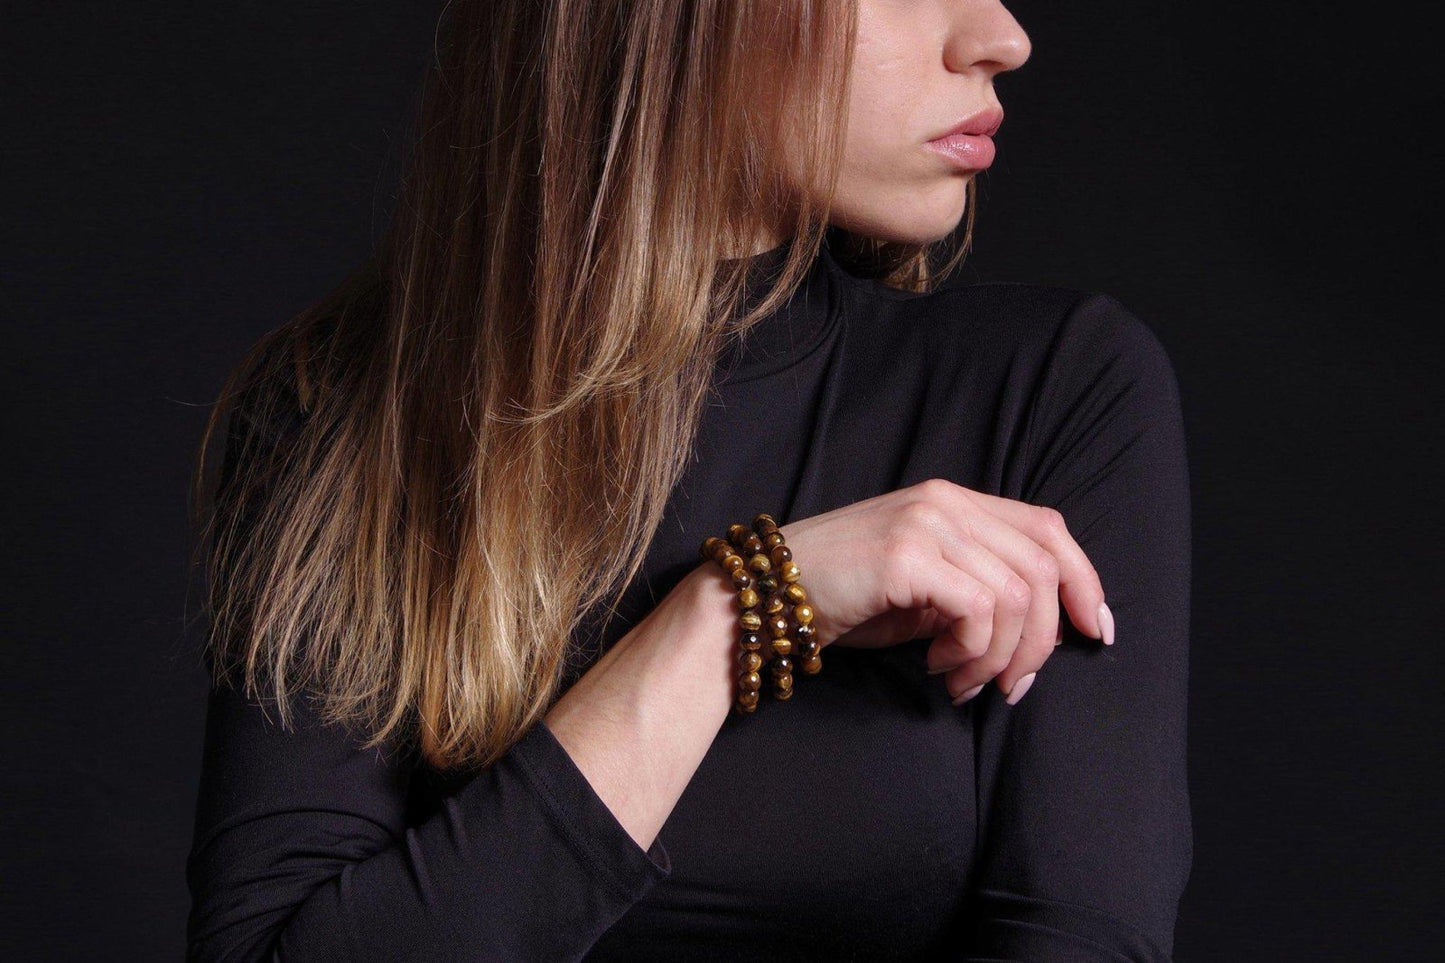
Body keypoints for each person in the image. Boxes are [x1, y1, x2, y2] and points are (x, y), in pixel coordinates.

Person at [185, 1, 1192, 960]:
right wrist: (738, 610)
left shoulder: (1050, 390)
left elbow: (1081, 933)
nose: (1001, 37)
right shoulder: (344, 411)